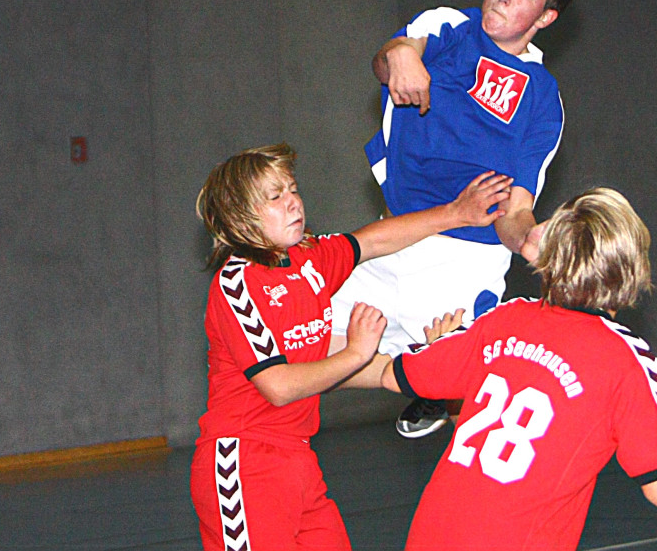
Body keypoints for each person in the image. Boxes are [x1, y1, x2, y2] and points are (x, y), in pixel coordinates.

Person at [362, 188, 657, 551]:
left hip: (432, 536)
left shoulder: (505, 318)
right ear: (632, 269)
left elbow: (393, 376)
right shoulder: (626, 359)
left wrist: (439, 345)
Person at [189, 142, 513, 551]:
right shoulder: (238, 282)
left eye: (293, 189)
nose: (293, 202)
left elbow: (371, 243)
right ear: (240, 216)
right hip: (244, 461)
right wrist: (355, 353)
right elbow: (279, 385)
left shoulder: (308, 260)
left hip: (299, 460)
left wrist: (455, 214)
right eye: (275, 196)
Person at [330, 0, 583, 438]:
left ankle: (444, 379)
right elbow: (388, 60)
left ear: (545, 17)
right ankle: (418, 379)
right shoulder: (450, 25)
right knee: (300, 348)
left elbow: (516, 208)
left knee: (473, 394)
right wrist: (400, 54)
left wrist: (528, 239)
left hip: (462, 259)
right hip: (395, 234)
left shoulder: (542, 100)